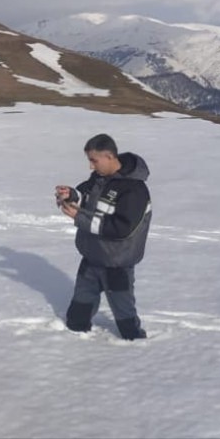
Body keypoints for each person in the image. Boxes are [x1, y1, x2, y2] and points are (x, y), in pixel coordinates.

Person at [55, 133, 151, 341]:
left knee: (126, 319)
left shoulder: (135, 190)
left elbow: (121, 229)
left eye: (93, 160)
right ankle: (74, 340)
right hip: (92, 257)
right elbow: (86, 196)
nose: (91, 166)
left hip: (117, 262)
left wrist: (80, 217)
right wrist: (70, 195)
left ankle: (137, 347)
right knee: (77, 318)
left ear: (109, 157)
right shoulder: (99, 178)